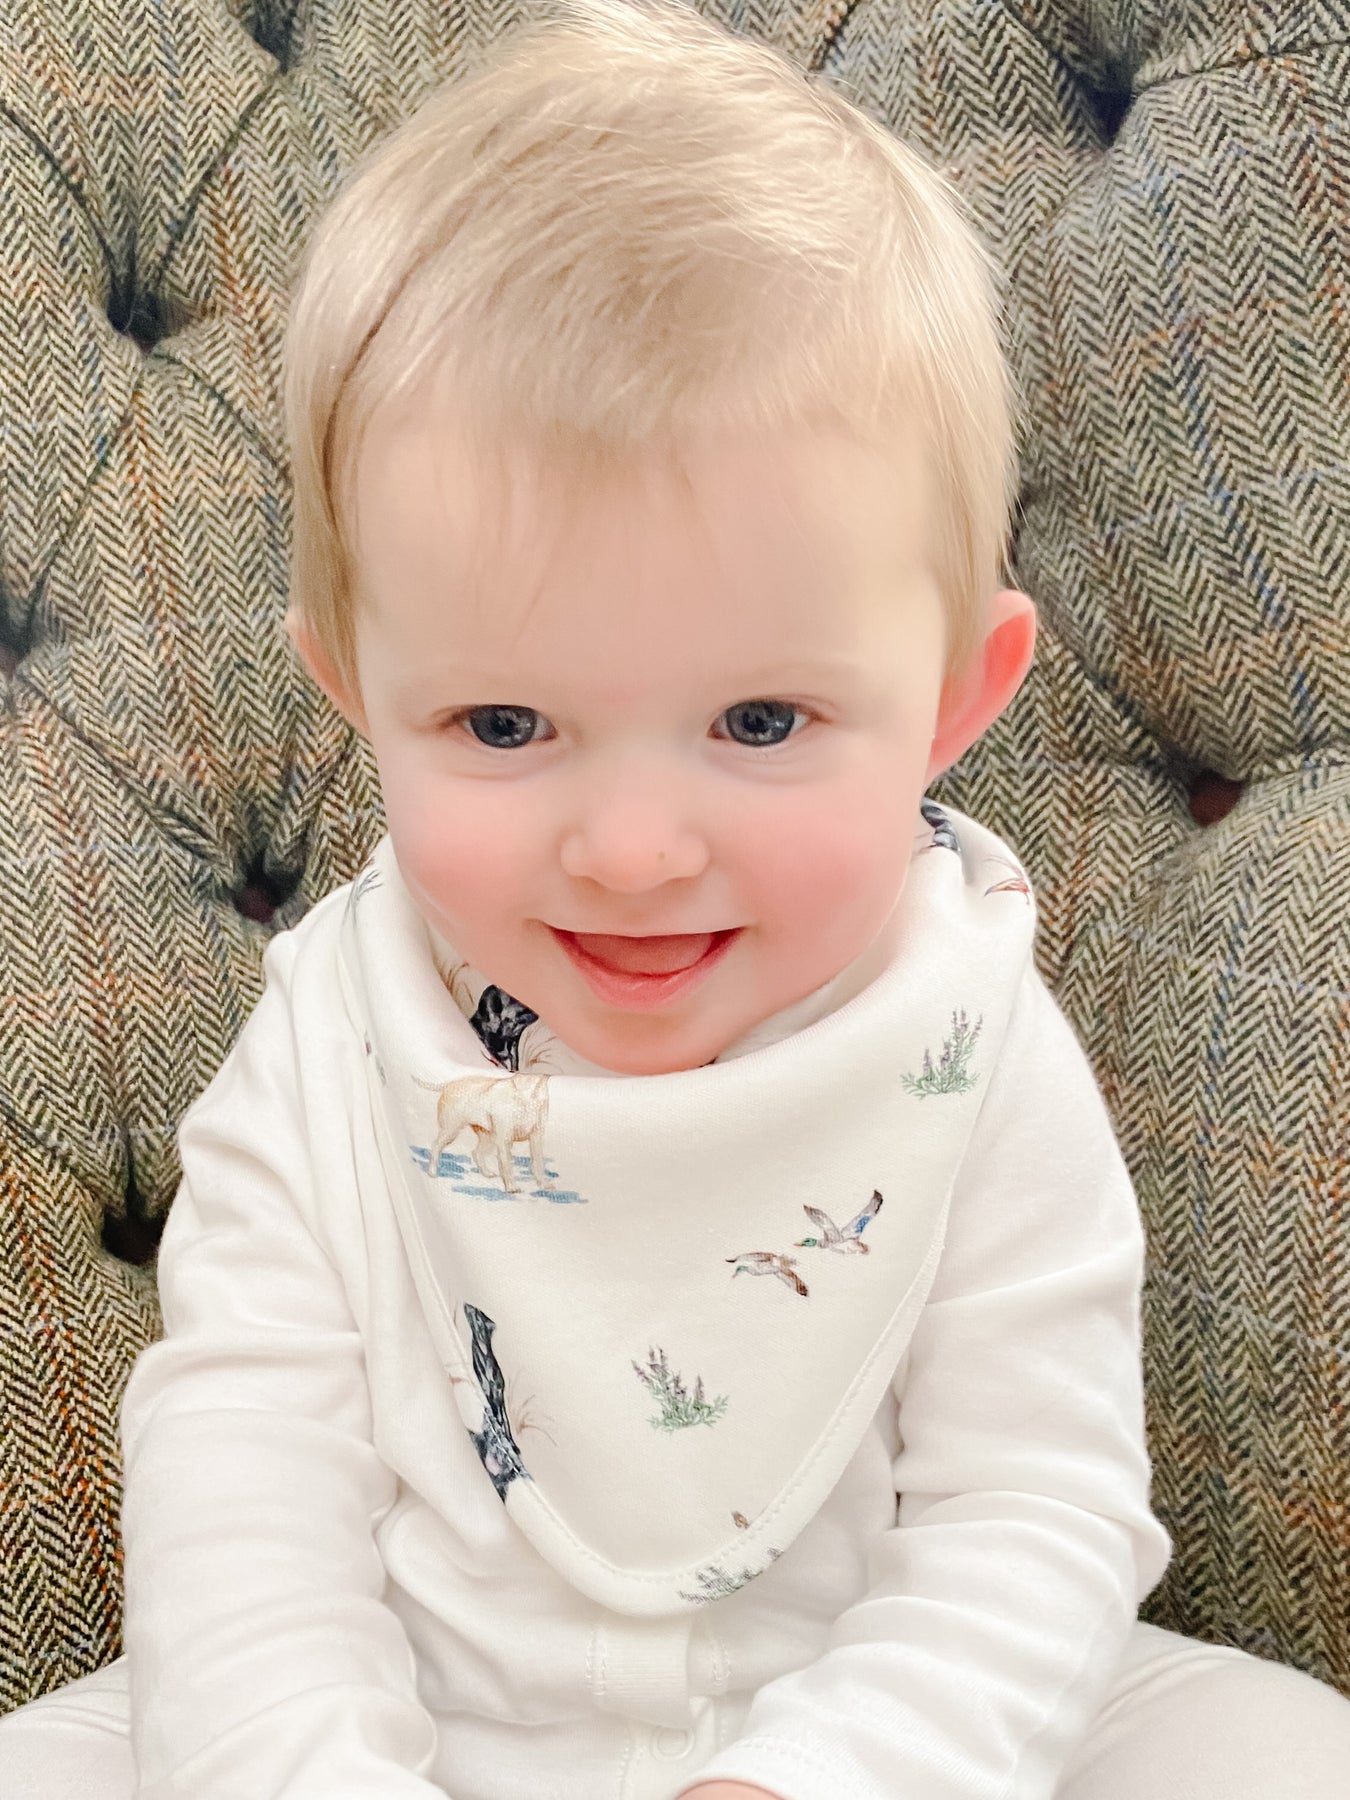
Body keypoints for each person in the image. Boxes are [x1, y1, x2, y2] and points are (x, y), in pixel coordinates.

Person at [4, 2, 1350, 1796]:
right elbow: (245, 1480)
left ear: (954, 699)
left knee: (1279, 1751)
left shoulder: (962, 1037)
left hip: (879, 1705)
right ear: (358, 695)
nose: (631, 851)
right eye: (503, 726)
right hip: (423, 1708)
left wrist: (824, 1776)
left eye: (760, 722)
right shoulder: (334, 1037)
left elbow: (1031, 1507)